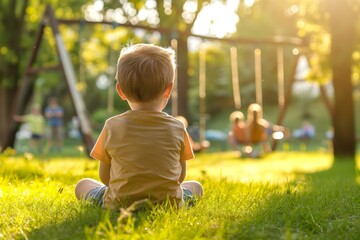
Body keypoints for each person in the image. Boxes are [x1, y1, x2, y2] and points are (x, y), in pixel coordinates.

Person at [75, 44, 204, 209]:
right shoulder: (178, 127)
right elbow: (180, 176)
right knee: (196, 187)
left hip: (119, 203)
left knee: (83, 185)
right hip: (168, 203)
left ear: (120, 91)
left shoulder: (112, 126)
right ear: (168, 90)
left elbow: (105, 178)